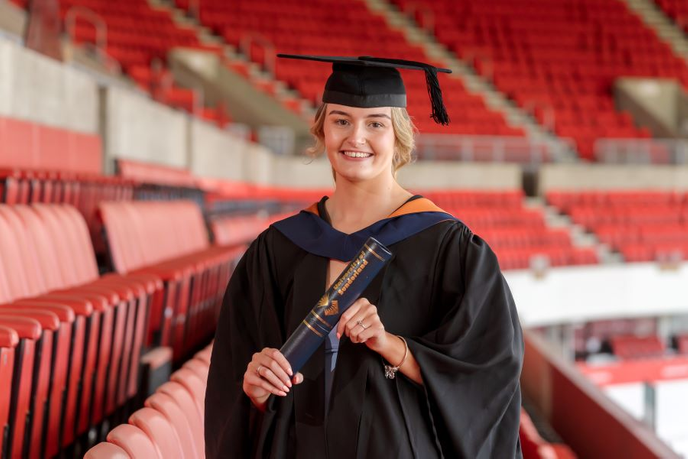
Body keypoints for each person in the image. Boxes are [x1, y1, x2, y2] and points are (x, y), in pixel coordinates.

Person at [205, 55, 524, 459]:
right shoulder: (278, 248)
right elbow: (235, 382)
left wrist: (391, 345)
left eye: (375, 123)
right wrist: (254, 388)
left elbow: (489, 371)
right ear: (322, 129)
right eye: (341, 120)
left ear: (399, 136)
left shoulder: (447, 246)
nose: (356, 137)